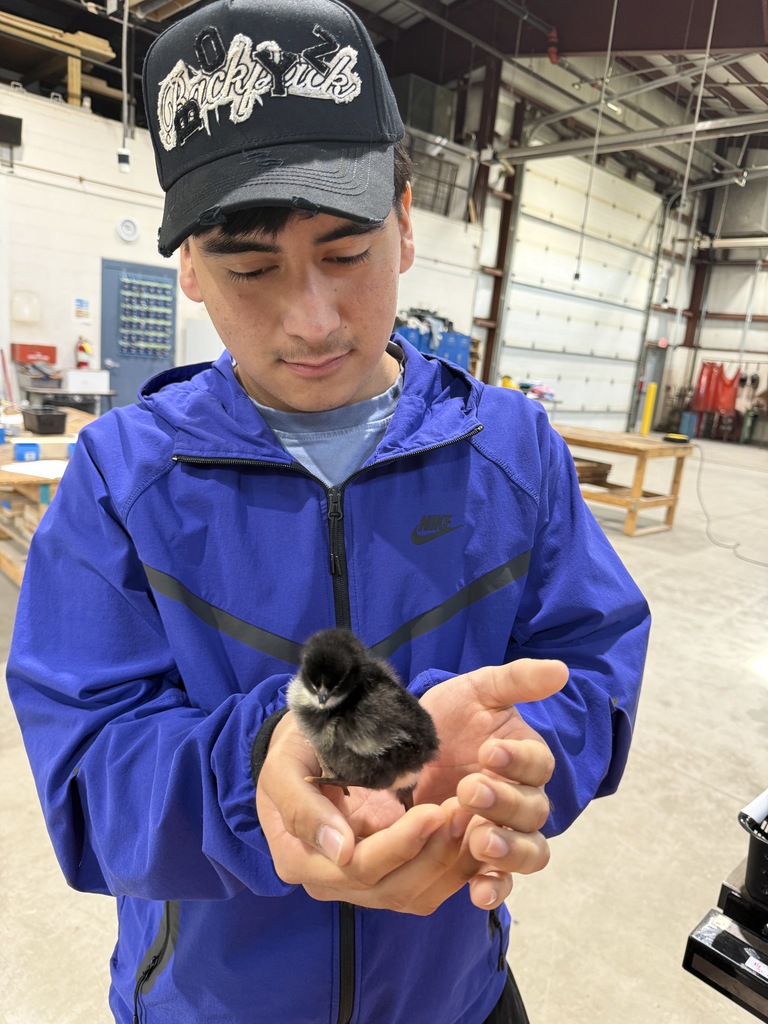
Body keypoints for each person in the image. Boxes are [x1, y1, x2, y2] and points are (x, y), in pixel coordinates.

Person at [6, 1, 651, 1022]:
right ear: (187, 261)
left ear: (404, 218)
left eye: (347, 252)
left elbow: (594, 664)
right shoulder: (121, 480)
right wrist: (256, 775)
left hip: (457, 998)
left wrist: (518, 758)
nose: (310, 320)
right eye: (250, 267)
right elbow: (87, 781)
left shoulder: (515, 453)